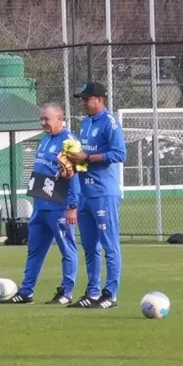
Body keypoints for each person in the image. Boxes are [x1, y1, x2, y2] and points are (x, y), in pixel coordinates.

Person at [7, 103, 80, 305]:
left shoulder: (69, 142)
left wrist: (72, 206)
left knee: (67, 249)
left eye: (46, 119)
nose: (43, 122)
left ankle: (66, 293)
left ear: (59, 118)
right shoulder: (45, 139)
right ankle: (26, 291)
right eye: (42, 119)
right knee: (34, 250)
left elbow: (74, 177)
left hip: (59, 206)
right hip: (40, 206)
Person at [65, 81, 126, 310]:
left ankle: (110, 294)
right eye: (81, 98)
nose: (83, 102)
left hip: (103, 192)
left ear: (99, 99)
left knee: (110, 245)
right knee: (90, 246)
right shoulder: (86, 122)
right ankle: (92, 292)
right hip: (85, 193)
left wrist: (88, 159)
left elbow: (119, 153)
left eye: (86, 98)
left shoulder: (110, 122)